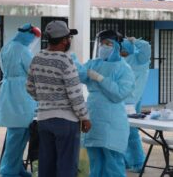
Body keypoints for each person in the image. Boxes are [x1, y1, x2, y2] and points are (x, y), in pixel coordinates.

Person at [26, 20, 91, 177]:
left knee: (46, 165)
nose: (69, 41)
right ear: (64, 40)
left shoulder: (37, 58)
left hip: (43, 120)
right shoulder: (65, 61)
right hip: (66, 121)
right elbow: (75, 94)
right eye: (69, 38)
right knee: (66, 166)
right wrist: (85, 117)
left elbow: (29, 87)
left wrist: (45, 98)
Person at [72, 30, 135, 177]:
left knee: (113, 163)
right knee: (95, 162)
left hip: (112, 122)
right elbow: (80, 74)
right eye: (102, 44)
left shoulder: (124, 69)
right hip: (94, 117)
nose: (103, 47)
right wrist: (72, 60)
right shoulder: (94, 63)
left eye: (108, 44)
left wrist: (101, 79)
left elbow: (119, 94)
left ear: (117, 47)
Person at [0, 23, 41, 177]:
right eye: (34, 38)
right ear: (28, 35)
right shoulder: (22, 50)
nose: (33, 41)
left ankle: (16, 168)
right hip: (21, 94)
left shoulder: (7, 47)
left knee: (16, 135)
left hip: (9, 92)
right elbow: (33, 71)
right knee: (17, 137)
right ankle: (8, 171)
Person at [121, 37, 151, 172]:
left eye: (123, 49)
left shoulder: (140, 59)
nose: (121, 52)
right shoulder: (118, 60)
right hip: (119, 101)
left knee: (132, 133)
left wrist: (135, 41)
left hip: (132, 102)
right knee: (121, 133)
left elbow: (146, 47)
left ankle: (138, 163)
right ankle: (126, 161)